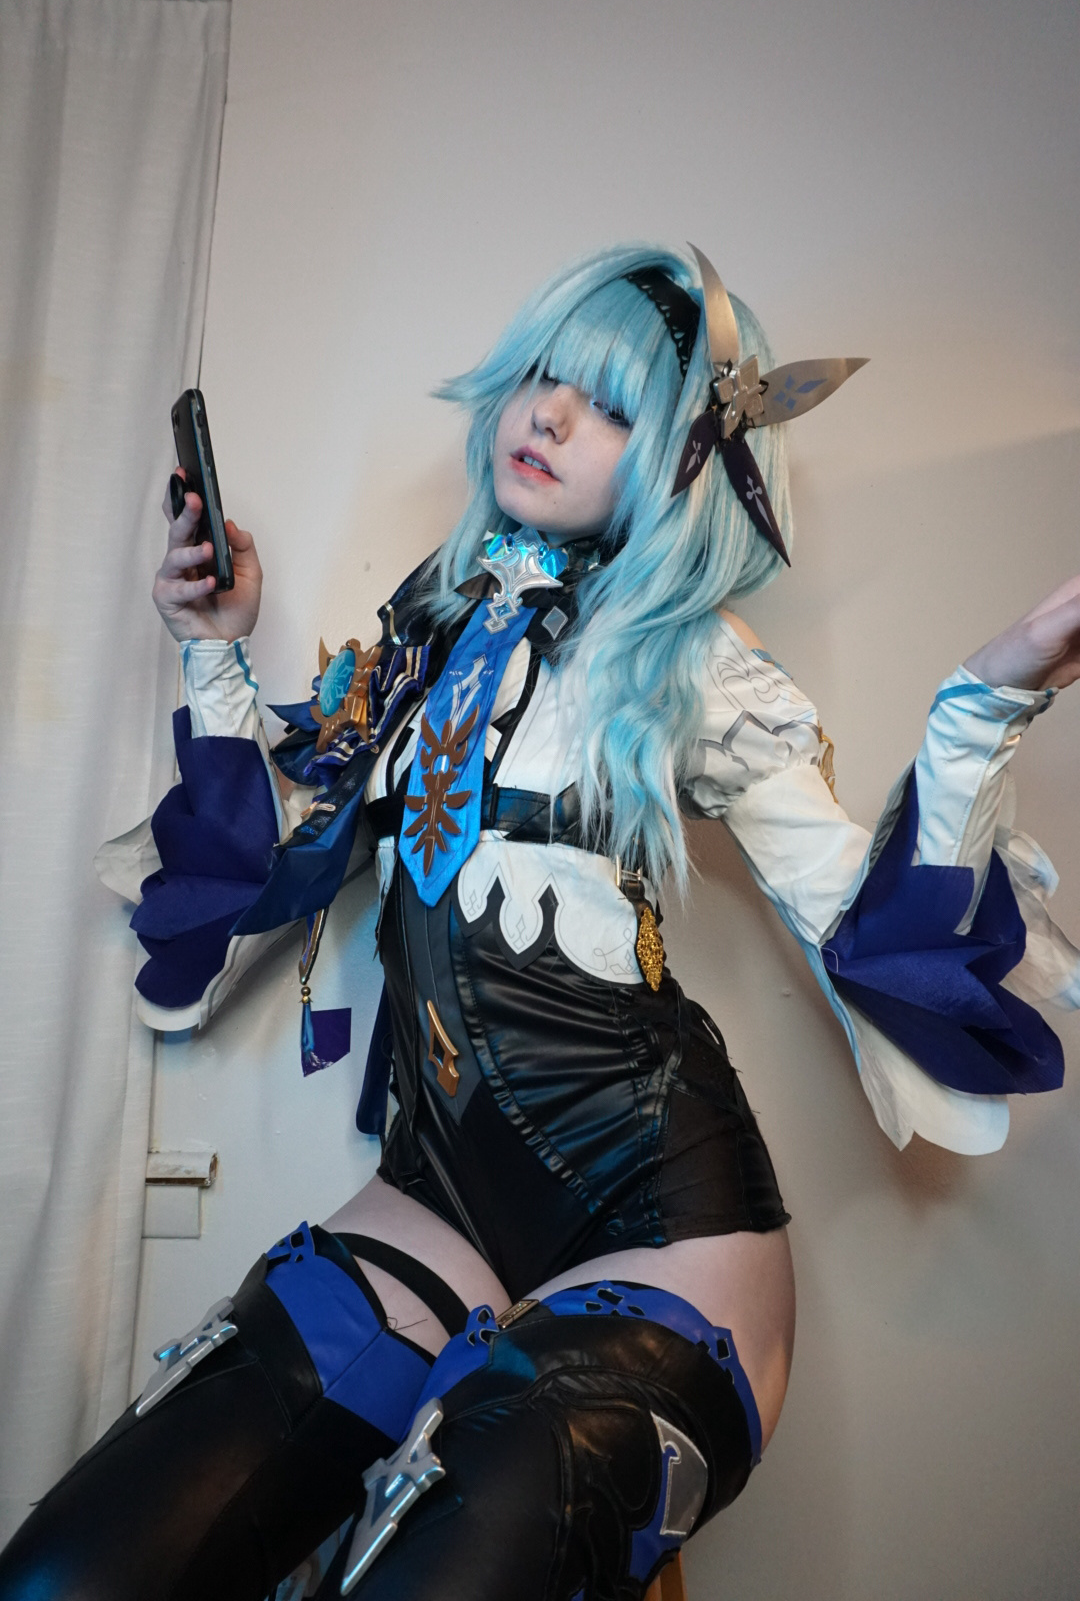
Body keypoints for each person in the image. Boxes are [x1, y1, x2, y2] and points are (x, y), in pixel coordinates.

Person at [1, 244, 1077, 1601]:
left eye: (613, 405)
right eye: (546, 378)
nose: (552, 416)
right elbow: (257, 868)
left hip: (663, 1228)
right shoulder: (422, 640)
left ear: (684, 462)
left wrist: (983, 706)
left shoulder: (697, 666)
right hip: (431, 1204)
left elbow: (875, 933)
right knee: (70, 1577)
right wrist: (213, 645)